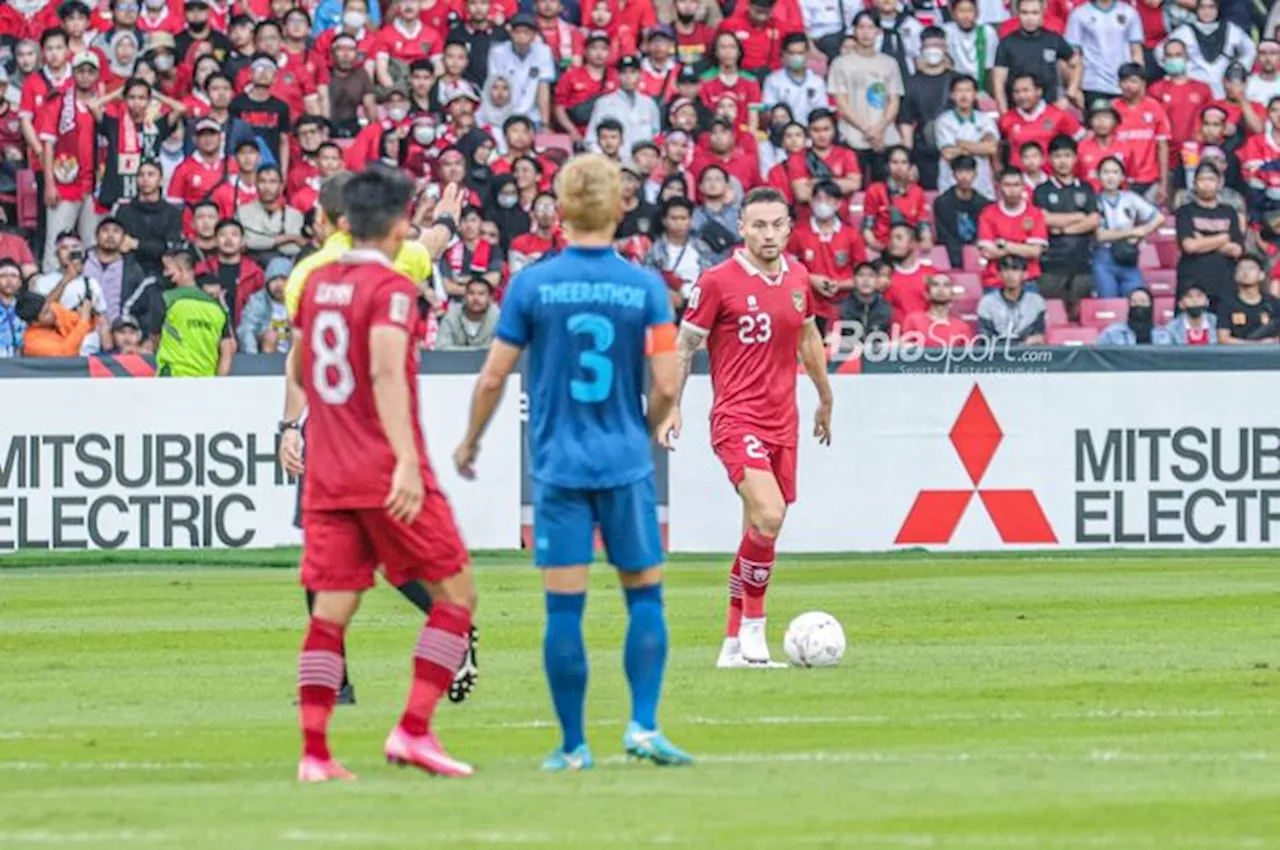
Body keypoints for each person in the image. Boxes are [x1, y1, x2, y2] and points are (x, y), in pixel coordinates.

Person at [453, 154, 690, 770]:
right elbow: (666, 380)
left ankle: (573, 745)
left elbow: (493, 377)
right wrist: (647, 428)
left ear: (559, 211)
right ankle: (642, 726)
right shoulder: (644, 286)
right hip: (624, 463)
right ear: (619, 208)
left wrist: (471, 441)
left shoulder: (532, 284)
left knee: (565, 606)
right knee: (644, 597)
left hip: (559, 467)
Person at [281, 168, 477, 783]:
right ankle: (414, 730)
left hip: (328, 473)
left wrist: (302, 430)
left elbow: (305, 369)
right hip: (384, 470)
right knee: (458, 598)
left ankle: (315, 755)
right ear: (398, 226)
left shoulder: (312, 284)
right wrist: (407, 463)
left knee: (330, 614)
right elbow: (388, 375)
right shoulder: (392, 288)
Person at [660, 187, 833, 668]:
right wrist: (673, 406)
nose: (769, 233)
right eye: (759, 225)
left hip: (785, 420)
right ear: (741, 227)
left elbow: (807, 336)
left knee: (761, 528)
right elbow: (684, 346)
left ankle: (732, 644)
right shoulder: (717, 281)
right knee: (770, 515)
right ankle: (755, 629)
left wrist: (824, 396)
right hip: (737, 419)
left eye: (777, 224)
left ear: (789, 227)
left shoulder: (798, 276)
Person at [828, 11, 904, 182]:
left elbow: (894, 101)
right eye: (861, 27)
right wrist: (866, 130)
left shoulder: (889, 63)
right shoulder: (841, 63)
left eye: (871, 27)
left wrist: (879, 129)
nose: (866, 32)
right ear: (854, 31)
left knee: (884, 191)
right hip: (853, 136)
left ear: (878, 31)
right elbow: (842, 104)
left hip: (884, 137)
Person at [787, 180, 867, 334]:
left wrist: (839, 285)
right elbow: (788, 269)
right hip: (808, 306)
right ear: (811, 202)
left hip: (845, 306)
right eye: (818, 199)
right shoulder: (798, 234)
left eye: (828, 199)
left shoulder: (851, 235)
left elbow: (863, 274)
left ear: (838, 204)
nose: (822, 204)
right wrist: (811, 279)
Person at [1033, 135, 1098, 320]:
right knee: (1051, 317)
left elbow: (1093, 220)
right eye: (1058, 156)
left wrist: (1062, 229)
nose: (1063, 161)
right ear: (1050, 159)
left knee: (1081, 316)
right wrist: (1078, 217)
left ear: (1075, 158)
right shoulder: (1042, 190)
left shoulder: (1086, 188)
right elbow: (1044, 220)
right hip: (1051, 264)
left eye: (1067, 155)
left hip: (1082, 262)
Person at [155, 245, 235, 376]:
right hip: (206, 383)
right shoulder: (217, 307)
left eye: (168, 269)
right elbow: (228, 349)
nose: (164, 274)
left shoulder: (166, 299)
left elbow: (156, 338)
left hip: (172, 379)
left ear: (183, 270)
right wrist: (219, 382)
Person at [1092, 157, 1164, 298]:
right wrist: (1132, 232)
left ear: (1122, 177)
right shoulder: (1094, 200)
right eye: (1106, 172)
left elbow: (1159, 218)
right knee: (1109, 302)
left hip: (1128, 255)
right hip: (1103, 257)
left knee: (1137, 298)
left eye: (1115, 172)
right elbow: (1100, 235)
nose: (1110, 177)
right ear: (1098, 176)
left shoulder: (1130, 198)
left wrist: (1143, 231)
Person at [1176, 162, 1243, 306]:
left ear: (1219, 184)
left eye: (1211, 179)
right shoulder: (1185, 211)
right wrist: (1223, 238)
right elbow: (1190, 246)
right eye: (1202, 180)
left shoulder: (1229, 211)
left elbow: (1236, 250)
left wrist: (1203, 241)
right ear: (1194, 184)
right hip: (1192, 283)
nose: (1206, 184)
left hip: (1224, 283)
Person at [1157, 0, 1255, 99]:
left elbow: (1250, 50)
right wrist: (1179, 68)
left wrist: (1239, 66)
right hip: (1194, 85)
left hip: (1222, 84)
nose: (1207, 12)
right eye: (1203, 8)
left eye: (1211, 7)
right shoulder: (1184, 32)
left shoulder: (1231, 29)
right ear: (1197, 9)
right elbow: (1160, 50)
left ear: (1217, 9)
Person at [991, 0, 1077, 112]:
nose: (1029, 18)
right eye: (1025, 13)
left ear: (1042, 13)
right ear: (1018, 14)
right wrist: (1004, 114)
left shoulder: (1053, 39)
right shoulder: (1007, 43)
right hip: (1017, 113)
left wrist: (1069, 95)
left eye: (1034, 13)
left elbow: (1076, 63)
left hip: (1049, 112)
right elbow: (998, 84)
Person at [977, 169, 1048, 289]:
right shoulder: (988, 213)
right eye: (1007, 185)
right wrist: (1022, 247)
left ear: (1023, 187)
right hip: (995, 280)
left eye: (1016, 185)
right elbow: (988, 252)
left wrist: (1003, 244)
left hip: (1028, 279)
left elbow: (1035, 252)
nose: (1012, 190)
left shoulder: (1035, 213)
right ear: (999, 187)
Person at [586, 56, 661, 164]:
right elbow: (591, 140)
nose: (628, 77)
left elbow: (655, 137)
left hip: (643, 166)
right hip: (614, 165)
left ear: (640, 75)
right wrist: (604, 162)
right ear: (617, 76)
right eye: (624, 73)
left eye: (633, 72)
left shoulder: (649, 104)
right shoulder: (604, 103)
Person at [935, 74, 998, 198]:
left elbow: (991, 148)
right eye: (959, 91)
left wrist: (962, 144)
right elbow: (948, 153)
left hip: (981, 185)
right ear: (952, 95)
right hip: (951, 184)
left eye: (968, 91)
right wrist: (979, 146)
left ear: (975, 95)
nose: (964, 96)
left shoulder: (985, 119)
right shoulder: (943, 121)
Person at [762, 33, 829, 127]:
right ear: (784, 54)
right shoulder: (773, 81)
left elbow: (821, 112)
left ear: (807, 54)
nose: (796, 57)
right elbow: (769, 112)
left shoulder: (817, 82)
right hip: (782, 134)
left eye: (800, 53)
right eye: (792, 53)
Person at [976, 255, 1046, 343]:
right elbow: (985, 339)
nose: (1010, 275)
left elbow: (1038, 335)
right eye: (1005, 270)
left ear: (1025, 274)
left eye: (1015, 270)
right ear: (998, 275)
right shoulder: (987, 303)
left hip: (1027, 353)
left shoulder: (1036, 302)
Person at [1217, 254, 1278, 343]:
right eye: (1241, 268)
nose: (1246, 272)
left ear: (1261, 275)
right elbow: (1223, 339)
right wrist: (1258, 344)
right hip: (1238, 355)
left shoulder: (1273, 303)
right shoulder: (1227, 304)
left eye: (1251, 268)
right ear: (1235, 275)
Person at [900, 274, 974, 347]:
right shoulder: (913, 320)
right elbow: (903, 350)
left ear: (953, 295)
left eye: (946, 285)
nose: (940, 289)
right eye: (935, 285)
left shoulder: (962, 327)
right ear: (927, 294)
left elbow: (968, 357)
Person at [236, 256, 292, 354]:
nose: (278, 284)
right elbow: (246, 329)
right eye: (273, 279)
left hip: (294, 353)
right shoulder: (258, 300)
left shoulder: (300, 300)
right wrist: (253, 359)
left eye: (283, 279)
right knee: (271, 336)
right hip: (266, 354)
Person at [436, 277, 500, 350]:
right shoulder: (451, 316)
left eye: (481, 294)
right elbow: (441, 348)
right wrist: (475, 351)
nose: (476, 298)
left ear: (490, 298)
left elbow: (502, 349)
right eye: (471, 293)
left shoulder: (498, 318)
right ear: (465, 296)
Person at [1097, 287, 1169, 344]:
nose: (1138, 304)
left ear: (1151, 305)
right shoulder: (1112, 332)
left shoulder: (1163, 334)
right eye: (1134, 302)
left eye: (1143, 301)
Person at [0, 259, 26, 358]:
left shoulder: (26, 305)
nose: (9, 280)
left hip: (20, 363)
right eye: (3, 276)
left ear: (20, 282)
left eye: (13, 276)